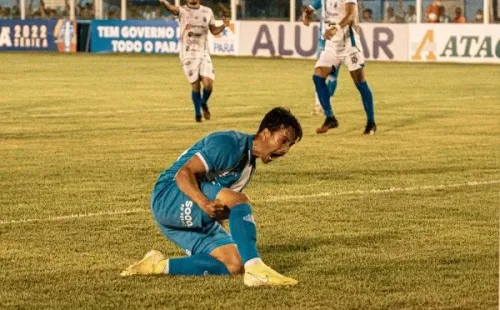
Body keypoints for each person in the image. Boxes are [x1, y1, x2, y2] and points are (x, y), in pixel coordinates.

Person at [121, 107, 302, 287]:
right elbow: (183, 174)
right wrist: (204, 202)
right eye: (283, 140)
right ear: (265, 133)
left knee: (234, 263)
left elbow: (222, 203)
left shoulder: (247, 168)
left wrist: (216, 234)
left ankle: (155, 266)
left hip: (187, 211)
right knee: (240, 200)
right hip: (169, 196)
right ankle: (256, 269)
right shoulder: (229, 144)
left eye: (290, 145)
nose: (285, 149)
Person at [303, 0, 376, 135]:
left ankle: (371, 123)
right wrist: (306, 14)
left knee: (360, 83)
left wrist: (335, 28)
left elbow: (350, 15)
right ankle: (330, 118)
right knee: (318, 76)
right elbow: (310, 8)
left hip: (349, 45)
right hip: (331, 45)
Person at [159, 0, 229, 122]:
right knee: (196, 86)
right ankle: (197, 115)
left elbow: (213, 31)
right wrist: (164, 1)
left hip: (203, 53)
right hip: (188, 54)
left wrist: (224, 25)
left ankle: (203, 103)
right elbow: (171, 8)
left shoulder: (207, 11)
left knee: (208, 84)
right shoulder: (182, 11)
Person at [302, 2, 341, 117]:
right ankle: (318, 105)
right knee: (319, 72)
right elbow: (309, 9)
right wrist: (305, 17)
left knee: (333, 76)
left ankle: (327, 105)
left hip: (338, 41)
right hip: (323, 41)